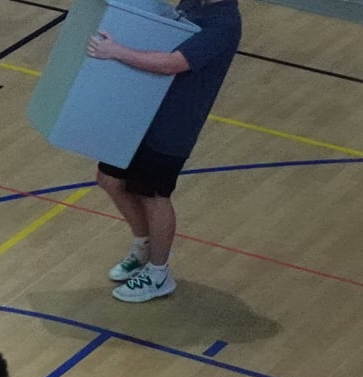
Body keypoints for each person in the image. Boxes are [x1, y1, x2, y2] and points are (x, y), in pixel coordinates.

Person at [85, 0, 244, 303]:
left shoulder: (224, 24)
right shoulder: (193, 3)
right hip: (142, 111)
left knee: (153, 196)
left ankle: (159, 274)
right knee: (109, 179)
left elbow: (172, 63)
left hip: (173, 126)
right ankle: (144, 245)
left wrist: (115, 51)